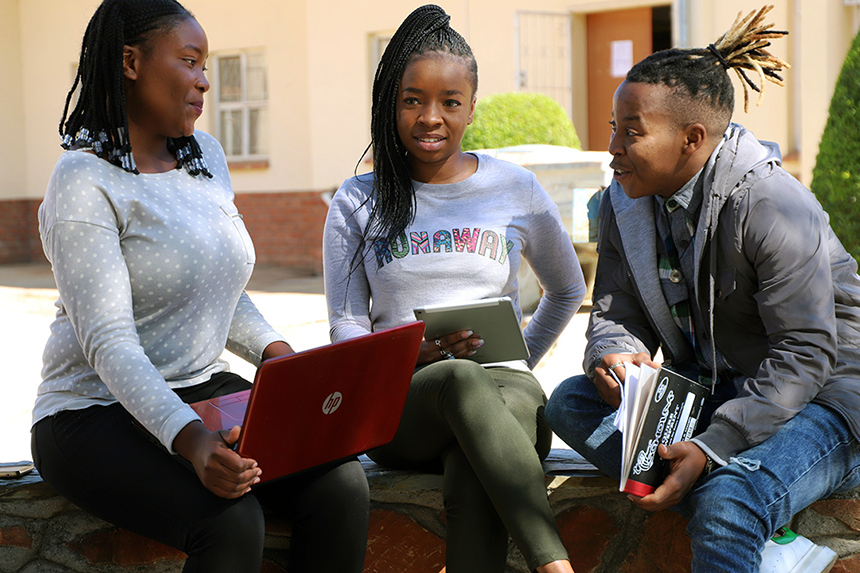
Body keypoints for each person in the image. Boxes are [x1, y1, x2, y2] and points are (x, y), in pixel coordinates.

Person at [30, 1, 369, 571]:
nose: (204, 81)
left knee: (340, 486)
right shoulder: (83, 178)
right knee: (231, 518)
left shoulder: (205, 156)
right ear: (130, 62)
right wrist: (191, 441)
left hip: (200, 387)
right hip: (91, 411)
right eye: (189, 61)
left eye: (205, 64)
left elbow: (225, 292)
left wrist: (280, 359)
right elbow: (108, 342)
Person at [545, 6, 860, 573]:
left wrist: (713, 447)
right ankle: (772, 537)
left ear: (692, 138)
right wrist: (611, 352)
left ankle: (741, 503)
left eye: (631, 132)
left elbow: (808, 354)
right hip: (723, 386)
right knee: (571, 402)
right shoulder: (624, 200)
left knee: (727, 505)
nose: (612, 146)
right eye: (614, 127)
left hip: (828, 399)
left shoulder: (772, 206)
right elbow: (616, 304)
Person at [322, 5, 585, 572]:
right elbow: (345, 321)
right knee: (460, 379)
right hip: (400, 406)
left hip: (506, 397)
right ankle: (555, 565)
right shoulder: (356, 200)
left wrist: (520, 358)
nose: (430, 117)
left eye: (449, 102)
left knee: (474, 455)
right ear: (390, 103)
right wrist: (407, 355)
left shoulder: (515, 187)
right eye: (412, 99)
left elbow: (567, 289)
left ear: (470, 107)